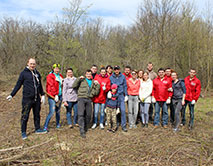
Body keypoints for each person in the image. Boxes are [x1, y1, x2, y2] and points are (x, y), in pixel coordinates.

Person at [6, 58, 45, 140]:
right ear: (28, 63)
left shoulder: (37, 73)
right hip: (27, 99)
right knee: (25, 115)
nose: (32, 65)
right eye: (31, 64)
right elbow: (18, 85)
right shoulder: (23, 73)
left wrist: (42, 94)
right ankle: (23, 132)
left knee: (37, 114)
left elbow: (40, 85)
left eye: (34, 64)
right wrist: (11, 95)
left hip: (36, 98)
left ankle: (37, 129)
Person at [72, 69, 100, 138]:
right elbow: (74, 86)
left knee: (88, 115)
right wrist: (78, 79)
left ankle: (85, 126)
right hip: (81, 98)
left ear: (91, 75)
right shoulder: (82, 80)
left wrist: (98, 85)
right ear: (85, 74)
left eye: (90, 74)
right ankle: (82, 130)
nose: (88, 75)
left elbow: (96, 92)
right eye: (87, 74)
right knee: (81, 114)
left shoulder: (93, 82)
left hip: (89, 99)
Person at [43, 64, 63, 132]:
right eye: (55, 68)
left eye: (58, 68)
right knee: (51, 112)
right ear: (53, 69)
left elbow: (61, 86)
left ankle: (58, 124)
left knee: (58, 111)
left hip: (60, 95)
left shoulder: (60, 76)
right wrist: (55, 95)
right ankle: (45, 126)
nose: (57, 70)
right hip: (52, 96)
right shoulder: (50, 76)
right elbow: (51, 86)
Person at [110, 66, 128, 132]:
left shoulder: (123, 77)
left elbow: (125, 86)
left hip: (121, 96)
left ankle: (124, 125)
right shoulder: (111, 77)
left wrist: (126, 95)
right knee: (115, 111)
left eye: (117, 69)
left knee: (123, 110)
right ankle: (116, 124)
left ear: (119, 70)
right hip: (114, 96)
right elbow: (109, 86)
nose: (116, 71)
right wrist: (110, 93)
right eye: (115, 70)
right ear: (114, 70)